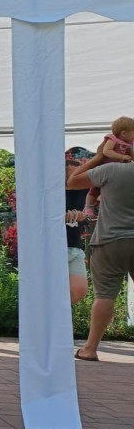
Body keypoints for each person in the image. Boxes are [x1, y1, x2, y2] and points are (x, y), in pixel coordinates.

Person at [67, 150, 134, 360]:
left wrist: (97, 158)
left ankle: (90, 349)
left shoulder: (110, 170)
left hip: (110, 241)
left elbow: (72, 180)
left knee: (105, 295)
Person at [84, 116, 134, 219]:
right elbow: (106, 151)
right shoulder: (113, 139)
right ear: (124, 133)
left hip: (117, 171)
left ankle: (110, 208)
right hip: (105, 168)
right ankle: (88, 206)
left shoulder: (129, 143)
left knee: (113, 190)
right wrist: (121, 156)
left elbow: (131, 154)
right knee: (95, 189)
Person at [65, 150, 91, 307]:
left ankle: (59, 315)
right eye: (72, 173)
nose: (77, 177)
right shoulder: (53, 193)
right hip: (55, 248)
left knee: (80, 290)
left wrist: (83, 217)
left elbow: (91, 214)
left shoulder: (85, 191)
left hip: (75, 247)